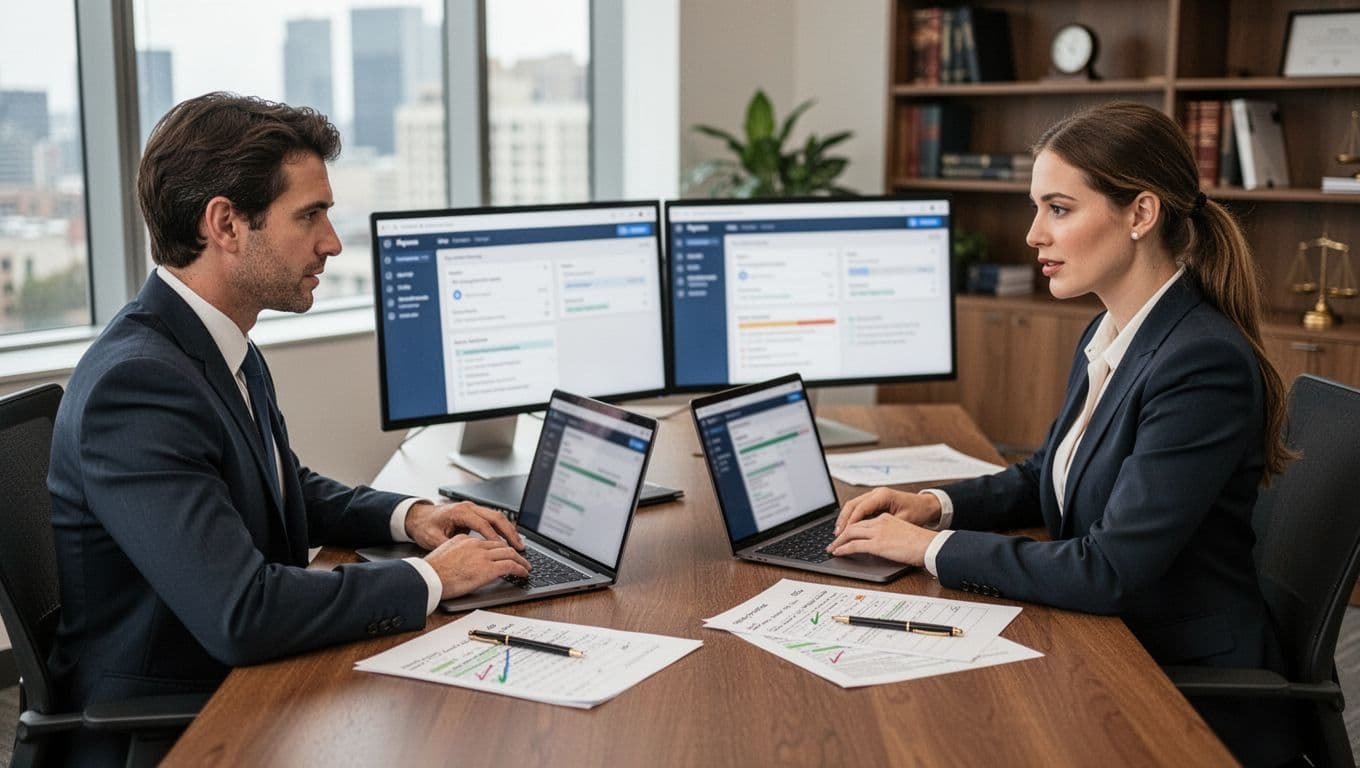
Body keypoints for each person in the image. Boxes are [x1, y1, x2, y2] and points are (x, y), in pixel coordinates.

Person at [46, 92, 530, 766]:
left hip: (241, 683)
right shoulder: (136, 387)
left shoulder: (213, 341)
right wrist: (431, 579)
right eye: (310, 215)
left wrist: (412, 516)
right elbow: (240, 611)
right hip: (174, 725)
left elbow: (280, 485)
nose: (331, 241)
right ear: (226, 224)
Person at [826, 102, 1300, 765]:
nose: (1032, 235)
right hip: (1110, 640)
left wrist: (928, 548)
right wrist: (934, 505)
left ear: (1140, 214)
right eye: (1035, 207)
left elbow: (1110, 570)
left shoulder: (1201, 361)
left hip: (1175, 682)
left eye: (1059, 208)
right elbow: (1046, 471)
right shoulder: (1113, 330)